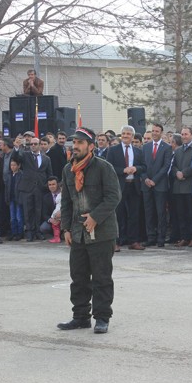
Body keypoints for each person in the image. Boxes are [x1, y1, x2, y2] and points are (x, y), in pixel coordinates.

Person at [57, 127, 121, 334]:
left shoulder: (104, 167)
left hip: (102, 233)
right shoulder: (68, 170)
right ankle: (80, 317)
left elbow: (113, 197)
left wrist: (95, 217)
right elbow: (66, 201)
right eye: (74, 142)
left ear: (91, 146)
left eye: (80, 143)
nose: (75, 146)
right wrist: (65, 228)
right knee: (78, 277)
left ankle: (102, 318)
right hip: (77, 233)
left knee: (102, 278)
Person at [106, 125, 146, 251]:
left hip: (134, 186)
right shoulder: (113, 150)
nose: (125, 136)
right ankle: (116, 241)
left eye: (128, 134)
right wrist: (123, 170)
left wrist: (136, 169)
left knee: (134, 215)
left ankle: (133, 241)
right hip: (119, 186)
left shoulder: (138, 151)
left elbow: (144, 167)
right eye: (123, 134)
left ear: (132, 136)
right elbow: (109, 168)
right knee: (118, 215)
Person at [11, 137, 53, 241]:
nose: (33, 146)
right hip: (27, 188)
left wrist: (47, 186)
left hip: (40, 188)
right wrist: (16, 148)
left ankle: (38, 231)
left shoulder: (46, 158)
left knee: (38, 211)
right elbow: (16, 158)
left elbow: (49, 174)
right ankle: (29, 232)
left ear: (39, 145)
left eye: (35, 144)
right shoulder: (25, 155)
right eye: (31, 144)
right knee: (28, 211)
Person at [141, 123, 172, 247]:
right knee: (148, 212)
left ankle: (161, 237)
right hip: (146, 184)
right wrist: (146, 179)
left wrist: (155, 180)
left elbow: (166, 166)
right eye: (153, 131)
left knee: (160, 213)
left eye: (157, 131)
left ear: (161, 133)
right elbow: (141, 165)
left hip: (160, 185)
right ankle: (151, 237)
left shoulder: (167, 147)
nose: (154, 133)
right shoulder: (145, 147)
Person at [171, 127, 192, 247]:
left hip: (190, 186)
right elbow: (173, 166)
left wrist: (184, 173)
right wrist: (176, 173)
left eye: (186, 134)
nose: (184, 136)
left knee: (191, 213)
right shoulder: (178, 151)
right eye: (182, 134)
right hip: (178, 187)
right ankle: (184, 237)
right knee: (181, 214)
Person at [39, 176, 62, 243]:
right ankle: (55, 235)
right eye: (50, 185)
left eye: (53, 184)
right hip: (52, 220)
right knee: (43, 228)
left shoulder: (63, 194)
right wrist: (51, 220)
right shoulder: (46, 197)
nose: (51, 186)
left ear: (57, 184)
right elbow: (44, 213)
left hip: (63, 219)